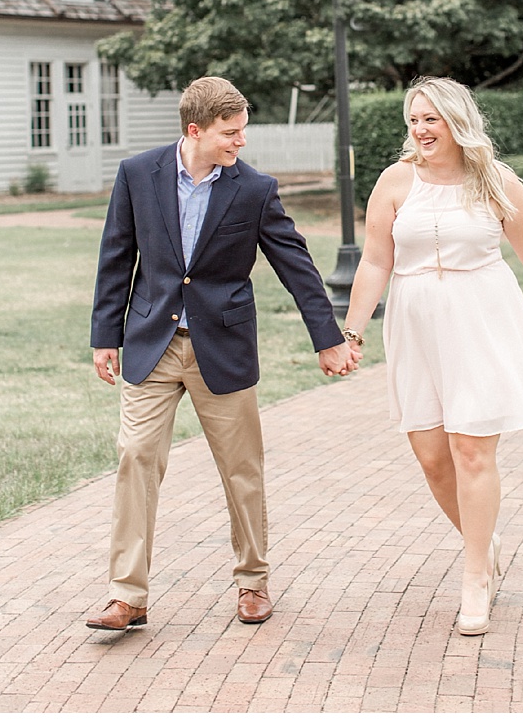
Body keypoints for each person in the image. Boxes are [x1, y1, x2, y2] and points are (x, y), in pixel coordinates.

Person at [86, 76, 358, 632]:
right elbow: (116, 257)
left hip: (223, 348)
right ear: (195, 130)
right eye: (229, 133)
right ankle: (126, 595)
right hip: (152, 345)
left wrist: (327, 338)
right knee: (135, 456)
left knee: (241, 470)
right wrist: (104, 335)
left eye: (242, 131)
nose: (240, 142)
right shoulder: (139, 175)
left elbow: (296, 264)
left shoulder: (253, 189)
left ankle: (253, 582)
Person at [341, 76, 523, 636]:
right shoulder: (393, 182)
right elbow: (373, 262)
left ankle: (475, 576)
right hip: (415, 328)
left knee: (470, 452)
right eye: (413, 119)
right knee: (433, 457)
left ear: (455, 121)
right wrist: (353, 332)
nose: (419, 129)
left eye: (430, 118)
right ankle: (485, 542)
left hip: (481, 322)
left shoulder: (496, 181)